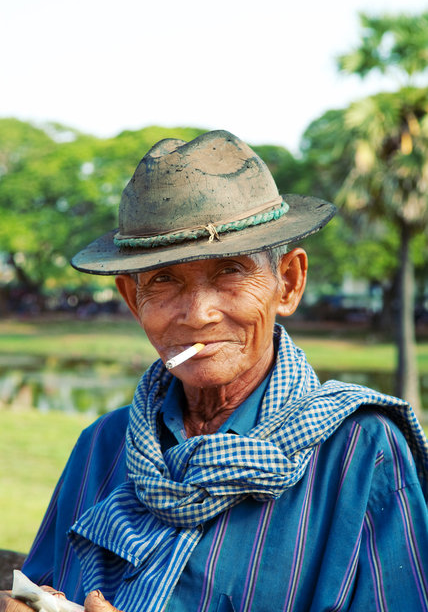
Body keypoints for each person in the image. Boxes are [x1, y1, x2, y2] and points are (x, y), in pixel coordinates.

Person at [2, 130, 427, 612]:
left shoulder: (361, 451)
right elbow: (42, 587)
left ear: (287, 284)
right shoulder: (103, 444)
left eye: (229, 271)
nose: (198, 313)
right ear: (132, 299)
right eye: (163, 280)